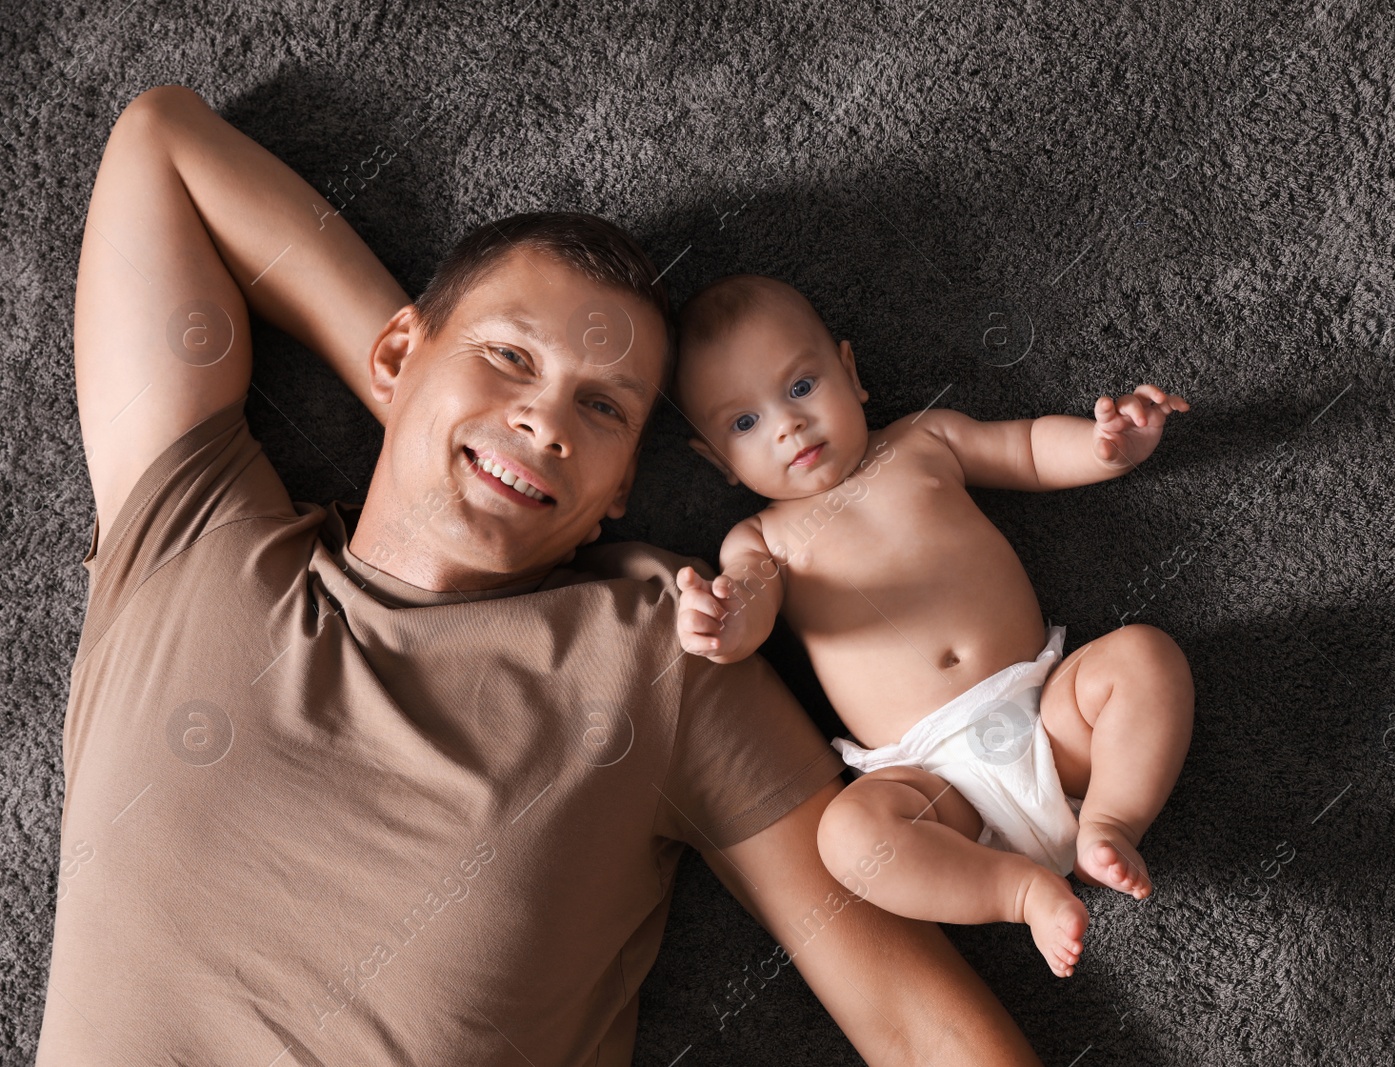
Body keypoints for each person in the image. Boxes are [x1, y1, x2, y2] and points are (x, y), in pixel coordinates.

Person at [39, 85, 1045, 1065]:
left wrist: (462, 401)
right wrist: (419, 394)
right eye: (509, 356)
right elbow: (161, 142)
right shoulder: (191, 530)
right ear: (400, 346)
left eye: (603, 408)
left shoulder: (664, 648)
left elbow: (919, 1028)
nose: (548, 418)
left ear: (619, 491)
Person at [668, 274, 1196, 979]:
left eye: (800, 387)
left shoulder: (922, 438)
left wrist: (1108, 447)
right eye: (743, 424)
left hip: (1050, 716)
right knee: (849, 837)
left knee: (1144, 657)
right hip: (937, 789)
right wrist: (717, 620)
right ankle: (1018, 891)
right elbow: (750, 612)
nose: (787, 425)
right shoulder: (757, 540)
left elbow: (1031, 450)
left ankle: (1110, 821)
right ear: (716, 460)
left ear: (850, 374)